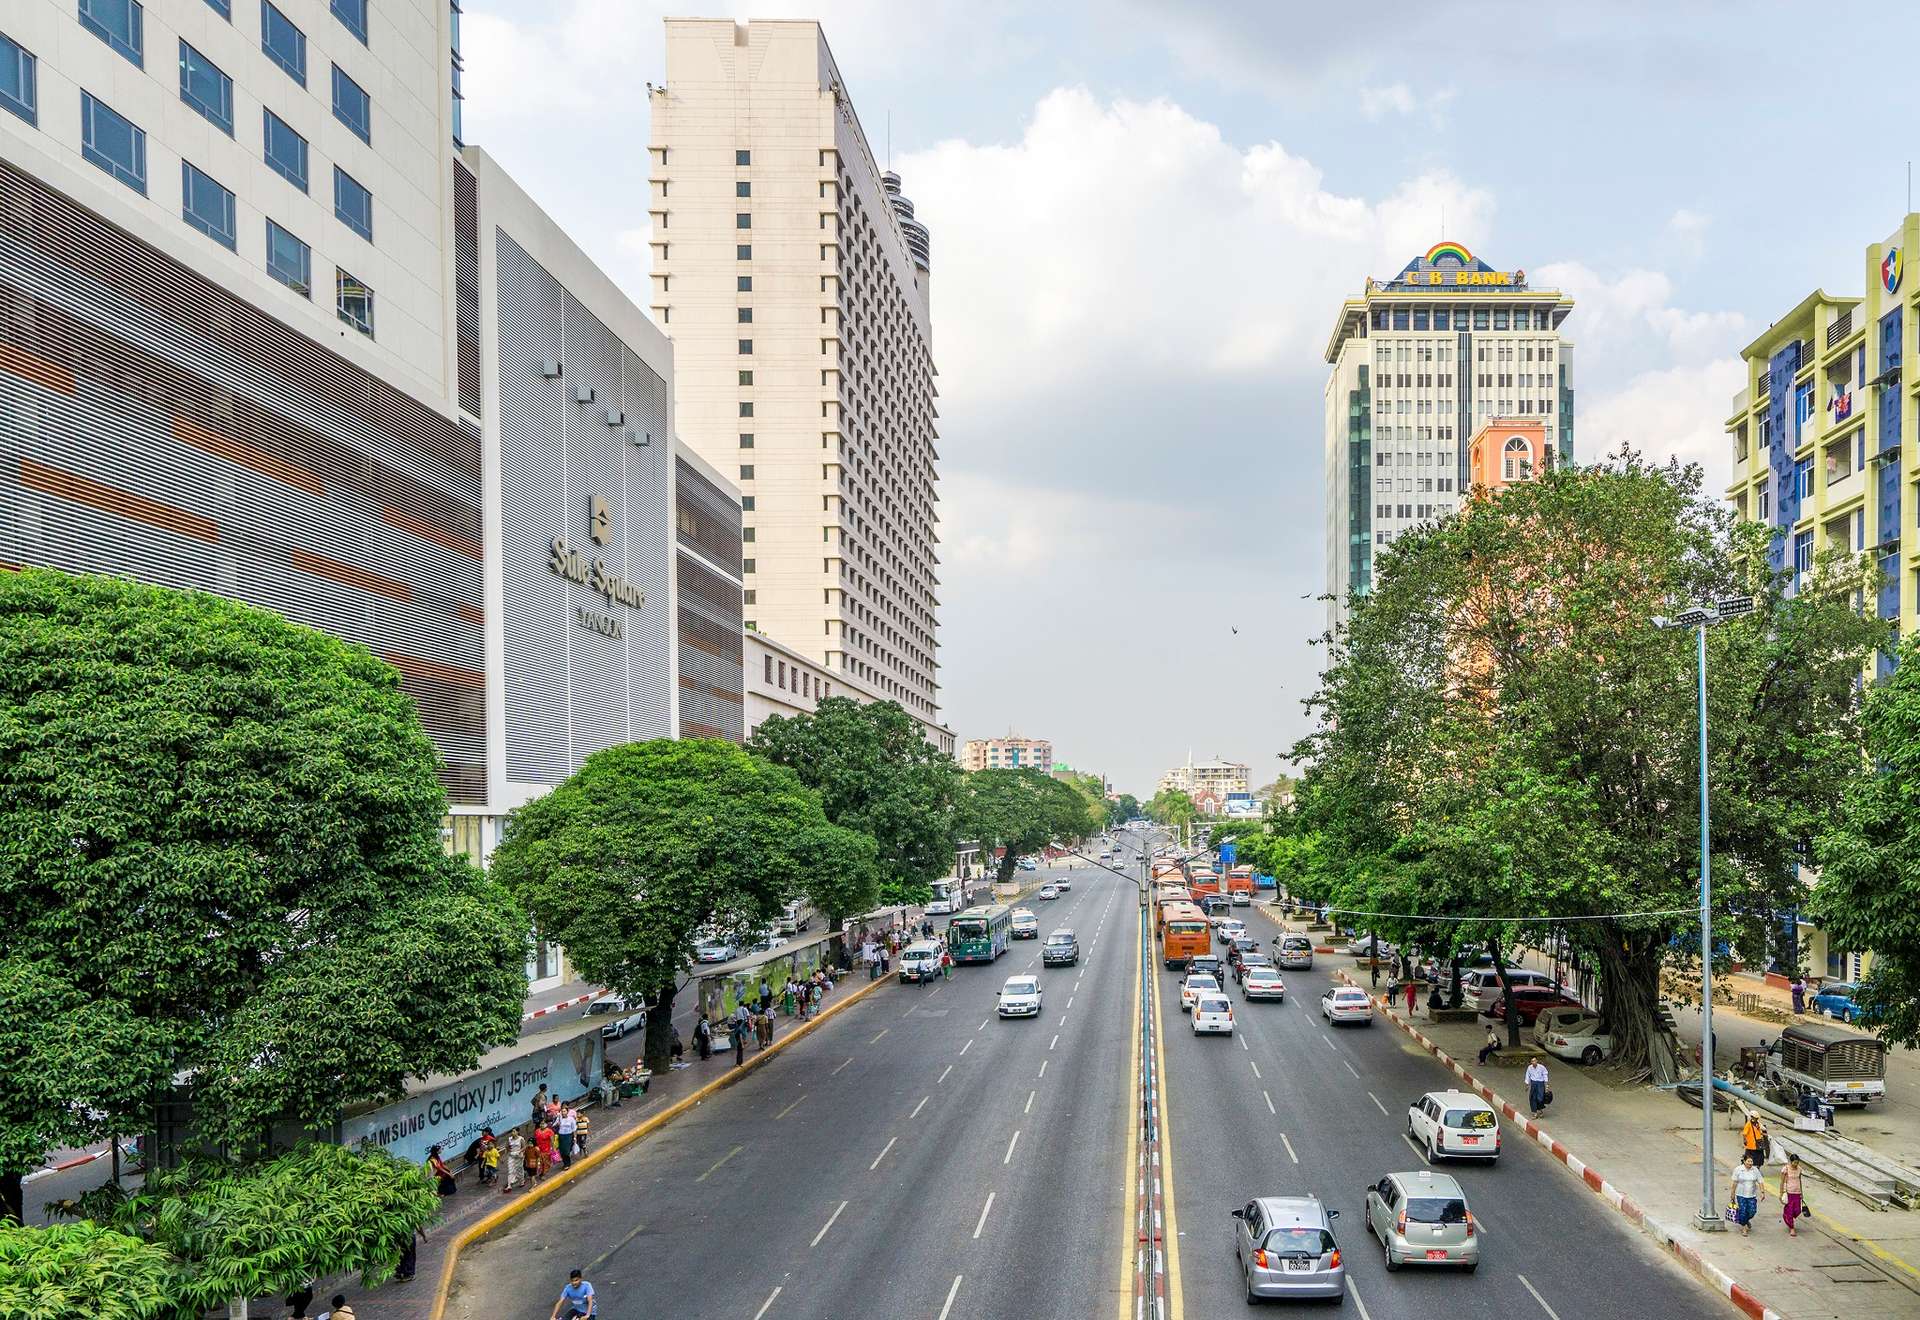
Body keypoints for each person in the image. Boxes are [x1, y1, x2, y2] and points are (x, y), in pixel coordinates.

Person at [1732, 1155, 1764, 1235]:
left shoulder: (1755, 1170)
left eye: (1751, 1161)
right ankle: (1744, 1227)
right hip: (1741, 1194)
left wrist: (1762, 1192)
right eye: (1748, 1161)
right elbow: (1735, 1182)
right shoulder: (1738, 1169)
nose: (1750, 1163)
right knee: (1743, 1211)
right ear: (1744, 1161)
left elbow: (1760, 1181)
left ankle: (1745, 1220)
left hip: (1752, 1195)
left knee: (1752, 1211)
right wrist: (1732, 1193)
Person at [1781, 1154, 1805, 1236]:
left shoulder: (1799, 1169)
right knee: (1790, 1211)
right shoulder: (1786, 1169)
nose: (1796, 1164)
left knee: (1798, 1210)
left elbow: (1800, 1180)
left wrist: (1802, 1192)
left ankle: (1786, 1214)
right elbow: (1782, 1181)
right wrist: (1781, 1193)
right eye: (1794, 1162)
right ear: (1791, 1162)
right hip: (1789, 1192)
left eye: (1797, 1163)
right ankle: (1792, 1228)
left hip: (1797, 1193)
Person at [503, 1129, 526, 1193]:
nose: (512, 1133)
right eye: (512, 1132)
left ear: (517, 1132)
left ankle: (522, 1181)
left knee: (519, 1169)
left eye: (514, 1131)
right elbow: (506, 1147)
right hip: (511, 1156)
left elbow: (524, 1147)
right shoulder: (509, 1139)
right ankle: (509, 1185)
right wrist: (508, 1152)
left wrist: (519, 1152)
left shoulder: (521, 1139)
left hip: (519, 1156)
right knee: (510, 1170)